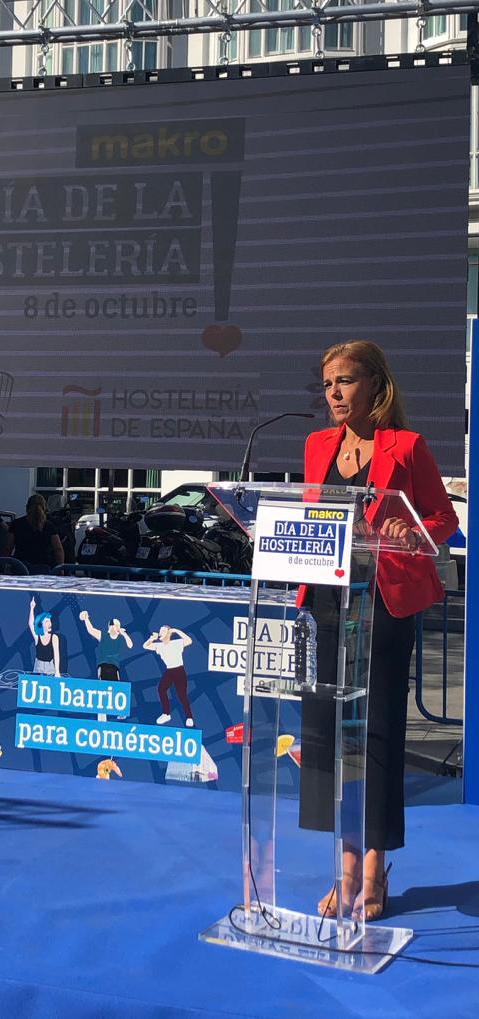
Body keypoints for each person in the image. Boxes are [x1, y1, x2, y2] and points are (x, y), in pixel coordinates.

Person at [299, 340, 457, 923]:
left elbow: (444, 517)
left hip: (385, 604)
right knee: (327, 736)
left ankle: (372, 870)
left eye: (344, 381)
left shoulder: (407, 447)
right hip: (325, 600)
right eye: (327, 385)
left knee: (380, 734)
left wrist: (412, 533)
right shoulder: (317, 446)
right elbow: (308, 511)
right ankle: (340, 867)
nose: (334, 394)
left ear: (375, 383)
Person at [79, 612, 134, 721]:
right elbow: (91, 630)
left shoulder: (120, 637)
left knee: (116, 689)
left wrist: (124, 634)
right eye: (116, 625)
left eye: (119, 625)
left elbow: (130, 645)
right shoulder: (103, 635)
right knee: (103, 691)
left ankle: (120, 712)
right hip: (103, 666)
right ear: (111, 626)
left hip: (114, 667)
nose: (118, 627)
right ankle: (102, 718)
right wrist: (86, 619)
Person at [143, 625, 194, 727]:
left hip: (179, 670)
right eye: (160, 630)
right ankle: (166, 714)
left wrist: (176, 630)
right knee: (161, 689)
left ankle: (189, 717)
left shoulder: (176, 643)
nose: (160, 632)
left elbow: (189, 641)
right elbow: (145, 646)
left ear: (169, 633)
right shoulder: (159, 645)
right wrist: (151, 638)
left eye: (163, 630)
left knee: (181, 695)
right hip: (169, 671)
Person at [5, 494, 64, 575]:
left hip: (20, 566)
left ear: (27, 507)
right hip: (44, 567)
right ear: (44, 508)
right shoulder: (49, 526)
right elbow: (58, 549)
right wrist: (60, 569)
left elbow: (8, 547)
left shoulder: (16, 524)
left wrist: (5, 565)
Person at [28, 597, 60, 677]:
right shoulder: (37, 637)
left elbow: (56, 654)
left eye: (49, 621)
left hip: (50, 667)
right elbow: (30, 624)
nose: (49, 623)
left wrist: (57, 671)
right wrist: (32, 608)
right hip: (38, 666)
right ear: (41, 624)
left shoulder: (54, 637)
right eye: (46, 621)